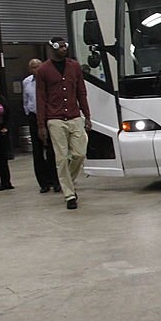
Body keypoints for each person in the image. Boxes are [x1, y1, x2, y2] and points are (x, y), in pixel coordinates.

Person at [36, 38, 91, 210]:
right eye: (59, 46)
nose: (63, 49)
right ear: (51, 48)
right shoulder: (43, 70)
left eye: (64, 46)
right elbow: (41, 98)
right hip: (55, 119)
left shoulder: (74, 66)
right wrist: (41, 125)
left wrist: (87, 115)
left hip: (74, 116)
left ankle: (69, 182)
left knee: (79, 154)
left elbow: (81, 92)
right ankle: (69, 194)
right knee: (61, 158)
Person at [22, 59, 60, 193]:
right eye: (33, 67)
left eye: (38, 66)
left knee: (52, 150)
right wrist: (29, 113)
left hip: (49, 116)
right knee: (37, 152)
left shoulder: (49, 80)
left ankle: (55, 180)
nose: (36, 69)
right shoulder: (26, 82)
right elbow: (25, 101)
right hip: (34, 116)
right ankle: (43, 183)